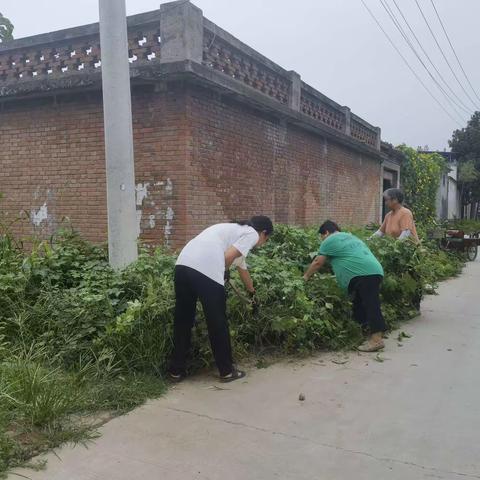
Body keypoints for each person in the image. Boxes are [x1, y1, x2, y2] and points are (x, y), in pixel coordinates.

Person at [169, 215, 274, 383]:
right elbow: (226, 258)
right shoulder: (252, 234)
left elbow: (242, 270)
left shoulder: (232, 231)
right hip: (206, 268)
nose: (263, 243)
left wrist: (252, 293)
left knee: (183, 320)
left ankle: (176, 370)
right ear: (263, 233)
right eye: (266, 240)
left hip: (183, 265)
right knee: (218, 323)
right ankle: (226, 371)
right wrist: (224, 270)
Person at [304, 220, 386, 352]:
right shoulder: (351, 237)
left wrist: (305, 277)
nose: (322, 240)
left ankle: (376, 340)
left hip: (363, 274)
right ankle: (364, 333)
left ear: (326, 232)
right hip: (373, 270)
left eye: (321, 236)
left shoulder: (329, 239)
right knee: (359, 304)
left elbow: (318, 262)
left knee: (371, 305)